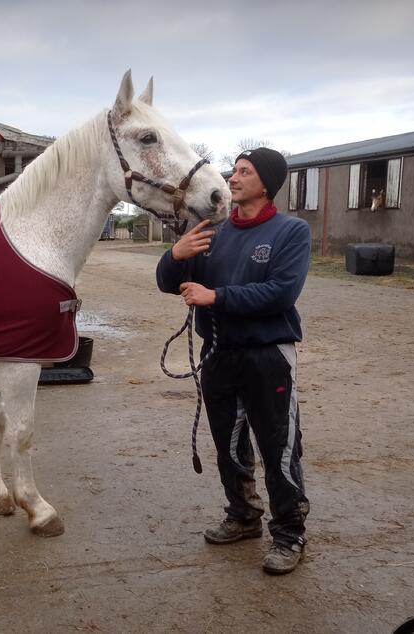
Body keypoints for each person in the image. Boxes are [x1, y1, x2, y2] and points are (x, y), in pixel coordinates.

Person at [156, 147, 311, 574]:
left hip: (268, 356)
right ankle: (243, 516)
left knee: (278, 446)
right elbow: (169, 283)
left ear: (267, 182)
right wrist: (176, 256)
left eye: (245, 171)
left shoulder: (290, 232)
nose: (234, 178)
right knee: (228, 443)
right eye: (234, 171)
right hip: (218, 353)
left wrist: (217, 296)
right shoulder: (214, 231)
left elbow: (281, 292)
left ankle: (290, 533)